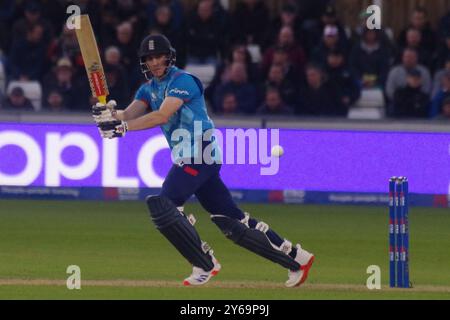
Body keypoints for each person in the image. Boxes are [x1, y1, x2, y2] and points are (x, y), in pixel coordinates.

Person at [91, 34, 314, 287]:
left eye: (158, 56)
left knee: (163, 204)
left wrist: (121, 127)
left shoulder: (183, 81)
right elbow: (128, 114)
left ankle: (205, 263)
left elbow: (162, 115)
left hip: (200, 154)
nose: (154, 62)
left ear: (169, 56)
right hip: (193, 158)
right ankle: (296, 258)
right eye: (149, 58)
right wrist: (108, 115)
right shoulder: (148, 89)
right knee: (231, 222)